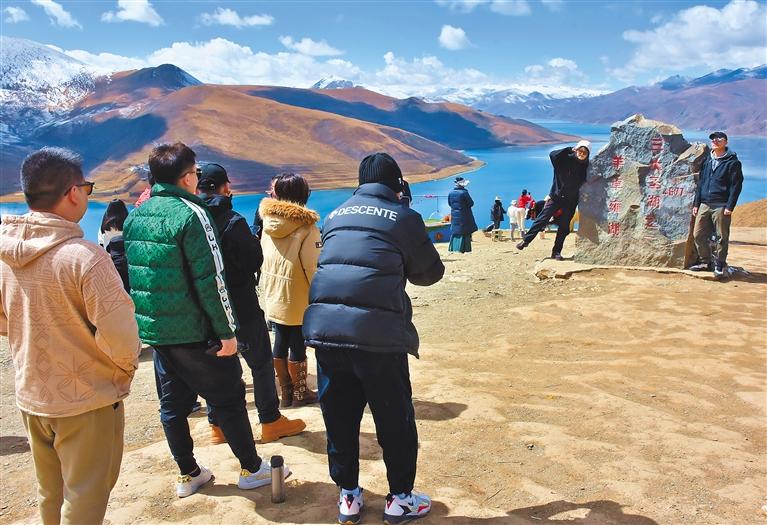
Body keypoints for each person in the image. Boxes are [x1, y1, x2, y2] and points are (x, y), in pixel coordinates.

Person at [124, 142, 289, 498]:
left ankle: (188, 473)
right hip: (195, 328)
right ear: (187, 177)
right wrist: (226, 332)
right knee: (229, 396)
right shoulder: (192, 214)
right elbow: (211, 279)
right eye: (195, 172)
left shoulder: (136, 215)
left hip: (158, 330)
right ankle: (251, 468)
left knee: (172, 405)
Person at [0, 147, 141, 524]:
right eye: (87, 187)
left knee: (51, 491)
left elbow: (4, 320)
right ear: (73, 193)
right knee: (85, 496)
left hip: (32, 393)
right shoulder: (86, 258)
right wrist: (121, 373)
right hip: (86, 398)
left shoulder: (5, 253)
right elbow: (120, 333)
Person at [303, 152, 445, 525]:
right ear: (398, 184)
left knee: (339, 416)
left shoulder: (334, 215)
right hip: (378, 336)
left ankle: (348, 495)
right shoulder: (403, 217)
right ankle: (400, 499)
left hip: (326, 332)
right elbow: (430, 274)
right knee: (394, 418)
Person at [196, 163, 306, 444]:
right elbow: (252, 259)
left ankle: (218, 426)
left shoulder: (192, 219)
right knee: (260, 362)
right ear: (224, 187)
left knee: (217, 366)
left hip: (206, 305)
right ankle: (270, 420)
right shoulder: (232, 220)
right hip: (240, 302)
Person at [259, 172, 321, 407]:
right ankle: (300, 393)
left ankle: (286, 392)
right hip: (298, 294)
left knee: (280, 338)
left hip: (274, 293)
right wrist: (319, 295)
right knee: (297, 343)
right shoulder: (307, 228)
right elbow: (312, 267)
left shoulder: (268, 223)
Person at [517, 140, 591, 260]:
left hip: (571, 201)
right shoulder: (564, 160)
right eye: (580, 150)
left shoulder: (586, 166)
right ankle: (526, 240)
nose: (581, 154)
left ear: (588, 154)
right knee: (542, 219)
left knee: (564, 227)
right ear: (576, 149)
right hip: (556, 197)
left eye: (585, 152)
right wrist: (568, 149)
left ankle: (556, 252)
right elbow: (552, 154)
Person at [690, 131, 744, 278]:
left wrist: (730, 206)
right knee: (698, 234)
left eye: (719, 138)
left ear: (726, 142)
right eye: (713, 139)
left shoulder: (733, 163)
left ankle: (719, 265)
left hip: (721, 205)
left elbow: (736, 186)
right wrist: (696, 203)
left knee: (721, 237)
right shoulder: (708, 160)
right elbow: (701, 183)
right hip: (704, 204)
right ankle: (705, 262)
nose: (715, 140)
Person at [99, 199, 130, 291]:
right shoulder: (128, 224)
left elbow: (101, 245)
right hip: (126, 261)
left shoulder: (104, 226)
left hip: (110, 261)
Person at [447, 176, 478, 253]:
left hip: (454, 215)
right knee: (465, 230)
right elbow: (471, 203)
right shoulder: (464, 193)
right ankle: (464, 248)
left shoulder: (450, 193)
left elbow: (450, 204)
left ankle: (454, 247)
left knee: (456, 230)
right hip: (464, 215)